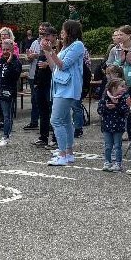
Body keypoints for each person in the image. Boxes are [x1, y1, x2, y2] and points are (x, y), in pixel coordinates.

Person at [47, 20, 85, 166]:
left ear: (70, 31)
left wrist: (51, 51)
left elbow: (63, 65)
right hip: (61, 86)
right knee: (66, 121)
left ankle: (62, 154)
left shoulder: (77, 45)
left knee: (56, 120)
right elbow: (54, 67)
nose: (61, 33)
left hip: (68, 88)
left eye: (63, 30)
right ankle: (68, 153)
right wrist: (47, 50)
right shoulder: (66, 47)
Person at [98, 78, 129, 172]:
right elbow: (99, 111)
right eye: (122, 86)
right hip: (107, 126)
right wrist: (107, 107)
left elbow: (125, 112)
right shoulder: (105, 97)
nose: (124, 88)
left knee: (117, 145)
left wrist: (117, 106)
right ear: (113, 88)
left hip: (118, 126)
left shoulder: (124, 98)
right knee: (107, 145)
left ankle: (118, 163)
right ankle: (107, 162)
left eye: (124, 86)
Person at [31, 30, 55, 149]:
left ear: (53, 37)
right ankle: (43, 137)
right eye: (43, 37)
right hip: (40, 85)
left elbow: (58, 66)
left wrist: (48, 64)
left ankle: (55, 139)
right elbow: (37, 68)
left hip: (51, 84)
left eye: (47, 36)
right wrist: (35, 83)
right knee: (43, 112)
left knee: (53, 112)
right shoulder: (42, 51)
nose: (44, 39)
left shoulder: (56, 50)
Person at [23, 23, 49, 131]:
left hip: (44, 75)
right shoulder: (34, 42)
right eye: (40, 28)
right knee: (34, 99)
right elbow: (30, 58)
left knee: (45, 100)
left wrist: (36, 56)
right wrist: (29, 57)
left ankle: (48, 123)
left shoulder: (49, 42)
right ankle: (34, 122)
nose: (41, 29)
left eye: (43, 28)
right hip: (33, 73)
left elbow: (49, 56)